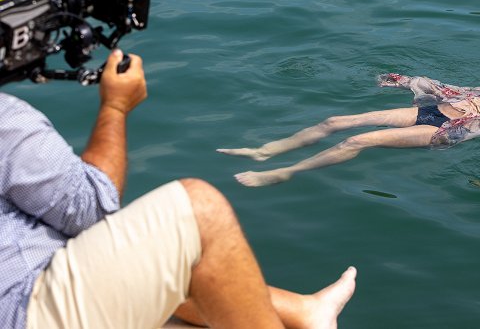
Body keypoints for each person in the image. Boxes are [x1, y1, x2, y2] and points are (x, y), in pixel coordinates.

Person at [1, 49, 356, 329]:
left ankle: (306, 311)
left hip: (29, 286)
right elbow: (89, 210)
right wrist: (114, 106)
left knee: (167, 269)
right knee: (199, 213)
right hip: (19, 310)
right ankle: (280, 167)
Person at [218, 71, 480, 187]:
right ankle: (266, 150)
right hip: (440, 108)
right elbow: (465, 90)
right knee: (337, 121)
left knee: (359, 140)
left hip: (456, 128)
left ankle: (284, 172)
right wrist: (412, 83)